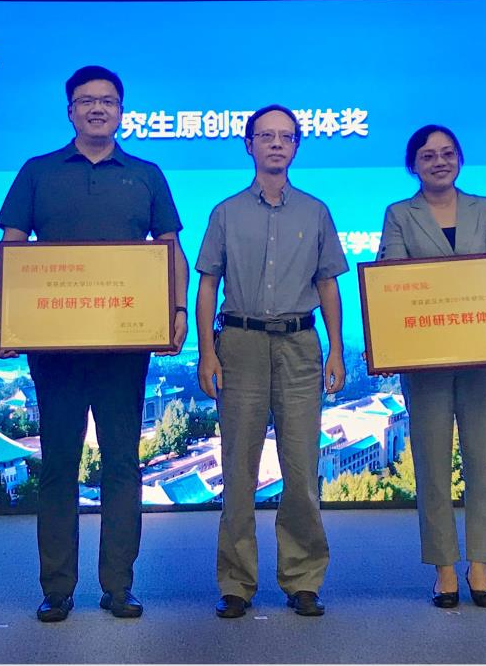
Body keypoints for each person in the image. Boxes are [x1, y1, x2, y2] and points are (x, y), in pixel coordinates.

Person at [0, 65, 188, 622]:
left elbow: (170, 251)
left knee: (122, 463)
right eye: (86, 100)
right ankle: (57, 588)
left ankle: (119, 586)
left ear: (121, 111)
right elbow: (10, 252)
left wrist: (177, 312)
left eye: (108, 101)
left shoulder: (146, 175)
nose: (98, 108)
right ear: (70, 111)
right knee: (59, 464)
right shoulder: (38, 171)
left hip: (124, 346)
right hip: (56, 348)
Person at [195, 104, 347, 619]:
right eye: (266, 136)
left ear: (297, 146)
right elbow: (208, 285)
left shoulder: (316, 212)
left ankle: (303, 580)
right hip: (239, 345)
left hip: (300, 346)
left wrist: (336, 350)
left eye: (286, 136)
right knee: (238, 470)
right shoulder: (225, 213)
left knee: (301, 469)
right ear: (249, 145)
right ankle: (236, 583)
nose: (277, 144)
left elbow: (328, 285)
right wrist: (207, 353)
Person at [377, 124, 486, 609]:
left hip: (483, 355)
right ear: (413, 165)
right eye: (428, 155)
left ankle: (480, 567)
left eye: (448, 153)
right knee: (433, 467)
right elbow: (392, 280)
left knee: (482, 462)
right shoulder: (399, 214)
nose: (439, 161)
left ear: (460, 159)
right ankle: (444, 570)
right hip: (425, 359)